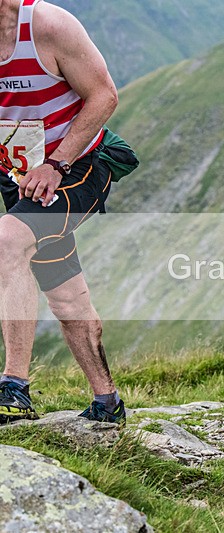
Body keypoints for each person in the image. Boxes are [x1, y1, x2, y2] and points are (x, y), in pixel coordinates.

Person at [0, 0, 133, 425]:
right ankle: (107, 403)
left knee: (7, 241)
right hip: (20, 178)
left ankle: (13, 388)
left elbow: (104, 96)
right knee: (64, 293)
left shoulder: (47, 25)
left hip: (77, 168)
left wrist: (55, 165)